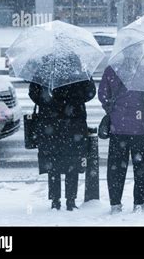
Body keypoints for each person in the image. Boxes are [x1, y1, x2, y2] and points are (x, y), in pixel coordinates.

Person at [28, 54, 96, 211]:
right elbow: (90, 92)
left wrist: (49, 102)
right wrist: (74, 101)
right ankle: (71, 200)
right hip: (74, 123)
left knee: (54, 164)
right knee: (72, 161)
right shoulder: (78, 66)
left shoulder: (45, 66)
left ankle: (55, 200)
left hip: (50, 124)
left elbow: (33, 93)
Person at [98, 44, 144, 214]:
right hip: (140, 129)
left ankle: (115, 204)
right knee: (141, 167)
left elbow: (102, 95)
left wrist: (112, 111)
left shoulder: (111, 70)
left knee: (116, 168)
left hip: (118, 129)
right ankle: (139, 202)